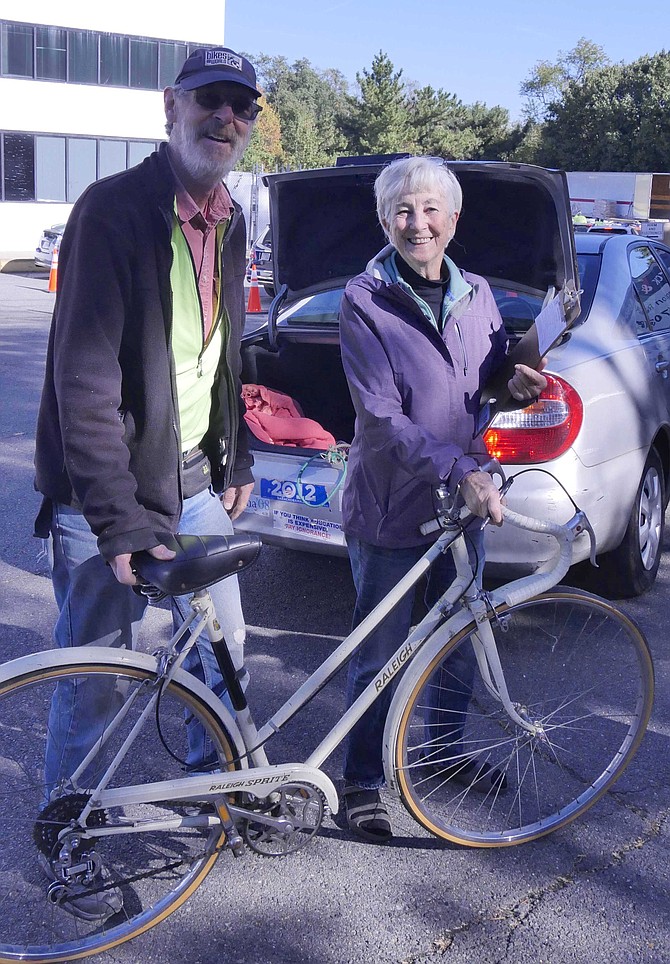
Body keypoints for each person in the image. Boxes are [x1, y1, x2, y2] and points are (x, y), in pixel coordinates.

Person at [33, 46, 262, 916]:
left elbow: (220, 354)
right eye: (210, 101)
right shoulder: (115, 210)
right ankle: (71, 841)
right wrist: (122, 525)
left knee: (223, 653)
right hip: (108, 501)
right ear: (171, 106)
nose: (226, 119)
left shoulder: (227, 216)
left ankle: (215, 795)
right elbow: (83, 384)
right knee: (96, 678)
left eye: (241, 107)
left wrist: (234, 453)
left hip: (196, 482)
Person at [338, 156, 547, 842]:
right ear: (383, 221)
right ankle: (362, 782)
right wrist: (462, 469)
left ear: (453, 220)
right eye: (402, 210)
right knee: (382, 654)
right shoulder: (364, 301)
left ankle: (443, 753)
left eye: (430, 209)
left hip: (462, 505)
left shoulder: (478, 292)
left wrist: (513, 383)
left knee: (457, 640)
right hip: (393, 507)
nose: (416, 223)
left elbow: (484, 380)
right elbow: (382, 418)